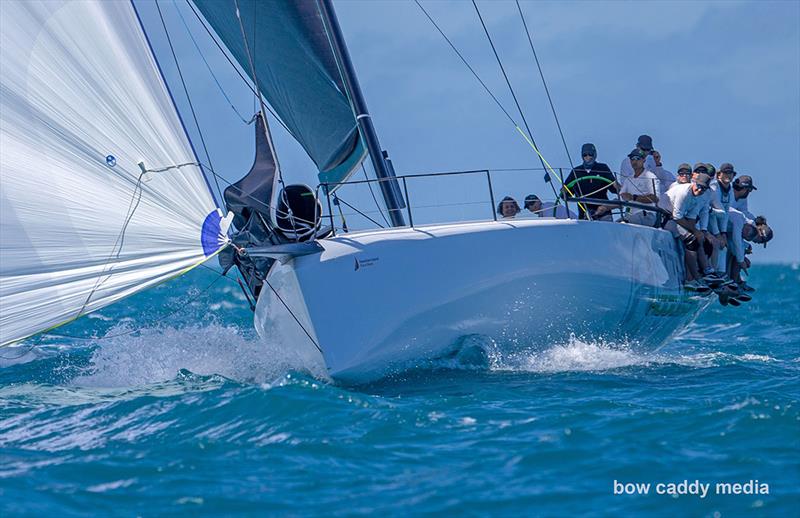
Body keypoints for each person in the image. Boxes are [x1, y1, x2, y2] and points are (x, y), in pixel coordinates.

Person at [658, 172, 715, 287]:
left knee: (700, 240)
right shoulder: (683, 193)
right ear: (694, 183)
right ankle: (693, 279)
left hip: (675, 219)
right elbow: (677, 216)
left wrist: (698, 233)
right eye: (699, 186)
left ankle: (706, 271)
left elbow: (691, 218)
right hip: (663, 218)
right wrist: (695, 232)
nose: (700, 190)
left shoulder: (699, 197)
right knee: (691, 240)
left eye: (703, 189)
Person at [561, 143, 617, 220]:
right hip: (584, 215)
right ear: (582, 156)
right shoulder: (576, 171)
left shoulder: (603, 168)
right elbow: (566, 193)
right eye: (585, 155)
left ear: (595, 155)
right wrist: (564, 191)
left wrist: (617, 186)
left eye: (590, 154)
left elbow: (614, 188)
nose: (588, 157)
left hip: (604, 214)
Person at [619, 148, 660, 226]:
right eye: (632, 159)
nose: (634, 161)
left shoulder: (650, 177)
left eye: (638, 158)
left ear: (644, 160)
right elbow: (621, 198)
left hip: (646, 215)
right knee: (614, 226)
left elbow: (655, 198)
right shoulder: (628, 179)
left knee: (627, 223)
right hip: (630, 216)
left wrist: (634, 197)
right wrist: (603, 208)